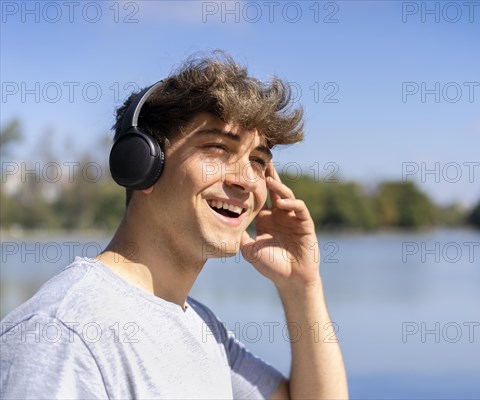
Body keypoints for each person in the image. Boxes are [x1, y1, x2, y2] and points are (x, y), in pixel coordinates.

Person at [0, 52, 348, 399]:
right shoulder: (63, 335)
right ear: (141, 165)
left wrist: (302, 286)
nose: (246, 181)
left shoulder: (202, 327)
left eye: (258, 162)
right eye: (217, 149)